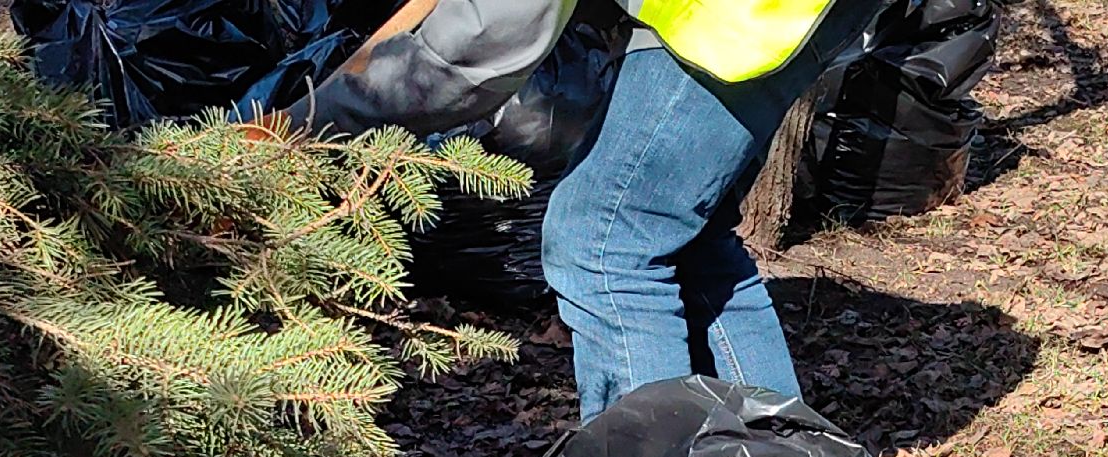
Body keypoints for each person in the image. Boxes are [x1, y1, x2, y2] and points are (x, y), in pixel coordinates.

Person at [273, 0, 883, 419]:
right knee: (683, 235)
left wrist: (311, 124)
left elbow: (480, 41)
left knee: (602, 243)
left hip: (732, 14)